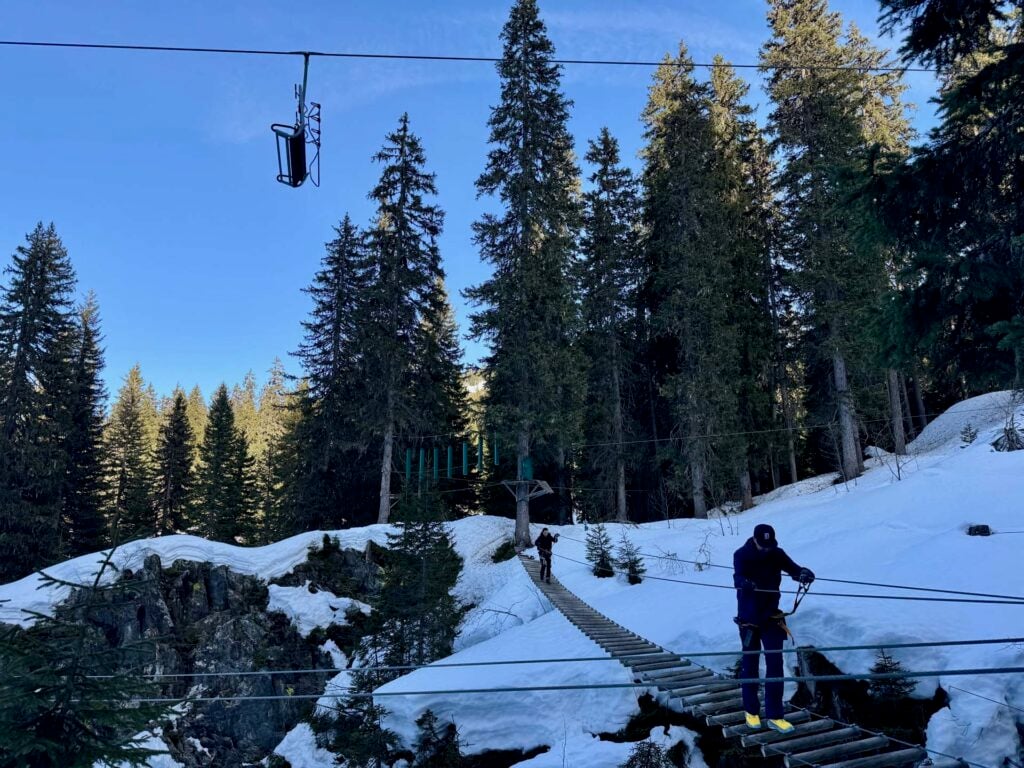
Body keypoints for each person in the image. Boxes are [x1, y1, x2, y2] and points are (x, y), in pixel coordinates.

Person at [733, 523, 814, 734]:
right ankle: (751, 711)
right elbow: (737, 577)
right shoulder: (741, 554)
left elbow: (793, 569)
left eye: (770, 545)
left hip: (771, 617)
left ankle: (775, 716)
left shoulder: (777, 553)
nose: (766, 549)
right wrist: (745, 583)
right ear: (755, 540)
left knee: (775, 665)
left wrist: (803, 573)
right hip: (749, 620)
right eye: (763, 545)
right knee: (750, 665)